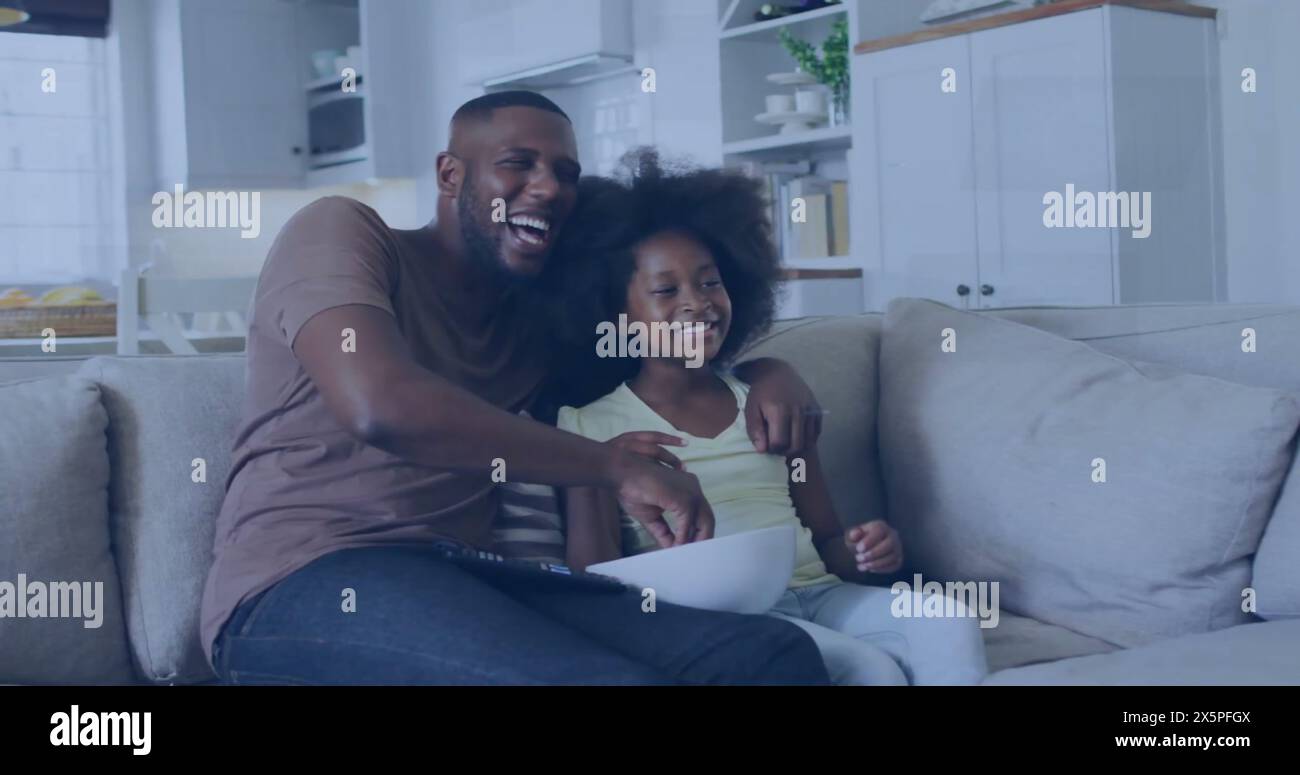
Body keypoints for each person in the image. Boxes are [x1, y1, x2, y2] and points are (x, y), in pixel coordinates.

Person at [199, 91, 831, 685]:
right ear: (450, 176)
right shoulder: (343, 233)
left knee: (771, 656)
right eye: (517, 164)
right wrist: (616, 468)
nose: (550, 187)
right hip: (300, 582)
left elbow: (663, 352)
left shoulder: (534, 322)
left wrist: (768, 372)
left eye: (566, 172)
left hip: (471, 578)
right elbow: (381, 406)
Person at [553, 150, 989, 685]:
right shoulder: (588, 427)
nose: (698, 303)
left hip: (824, 595)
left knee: (945, 619)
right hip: (725, 620)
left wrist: (870, 552)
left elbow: (828, 542)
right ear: (616, 313)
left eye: (710, 282)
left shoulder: (768, 402)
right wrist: (606, 476)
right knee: (866, 668)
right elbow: (591, 582)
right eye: (666, 291)